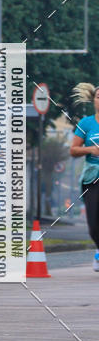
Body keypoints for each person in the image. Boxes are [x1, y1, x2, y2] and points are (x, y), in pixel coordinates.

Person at [69, 82, 99, 271]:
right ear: (93, 100)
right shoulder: (86, 123)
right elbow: (73, 150)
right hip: (92, 179)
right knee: (94, 224)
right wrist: (91, 150)